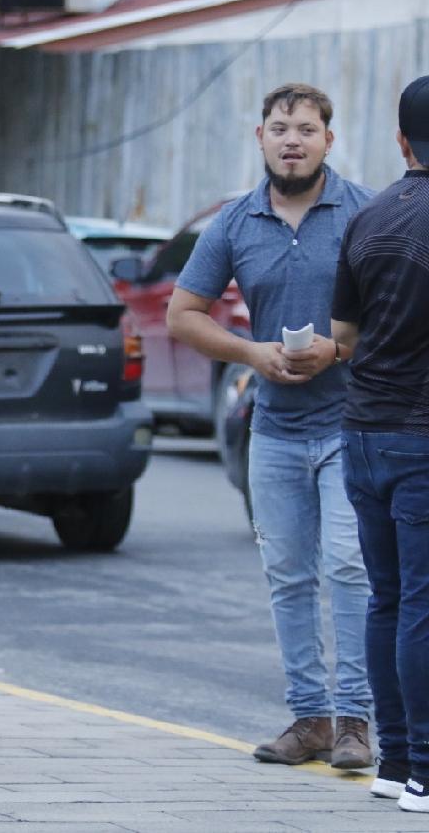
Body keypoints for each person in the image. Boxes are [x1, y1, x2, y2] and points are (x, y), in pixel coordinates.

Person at [167, 83, 375, 769]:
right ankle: (310, 719)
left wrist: (337, 351)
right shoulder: (236, 222)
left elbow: (402, 314)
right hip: (276, 429)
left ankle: (356, 722)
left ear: (328, 141)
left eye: (307, 129)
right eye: (281, 128)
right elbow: (182, 315)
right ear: (260, 137)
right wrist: (253, 354)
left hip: (351, 423)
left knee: (349, 568)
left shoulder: (364, 213)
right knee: (287, 575)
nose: (293, 140)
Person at [331, 74, 429, 812]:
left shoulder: (366, 217)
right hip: (421, 438)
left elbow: (343, 336)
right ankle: (425, 770)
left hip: (363, 432)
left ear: (401, 141)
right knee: (422, 603)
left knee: (387, 599)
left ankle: (394, 762)